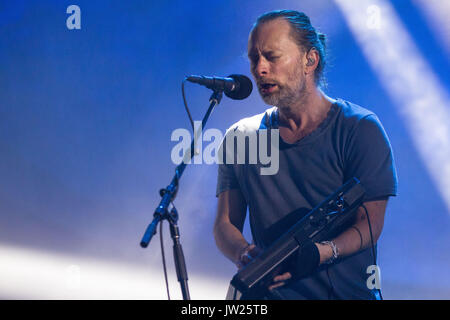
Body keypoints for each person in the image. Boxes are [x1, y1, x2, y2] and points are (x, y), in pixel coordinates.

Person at [213, 10, 398, 299]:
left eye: (272, 56)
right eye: (253, 58)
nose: (259, 69)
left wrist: (319, 254)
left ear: (309, 60)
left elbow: (371, 222)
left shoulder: (359, 128)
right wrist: (243, 252)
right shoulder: (240, 136)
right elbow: (225, 223)